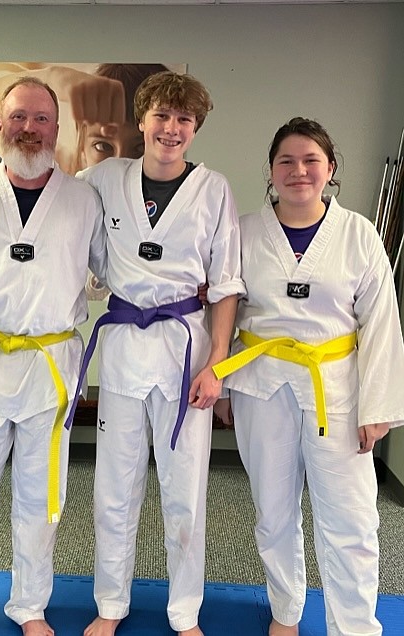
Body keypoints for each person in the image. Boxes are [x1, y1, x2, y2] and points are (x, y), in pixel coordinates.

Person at [212, 117, 404, 636]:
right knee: (273, 512)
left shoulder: (359, 234)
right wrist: (226, 383)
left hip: (336, 390)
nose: (299, 171)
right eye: (286, 162)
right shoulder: (246, 232)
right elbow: (226, 307)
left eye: (310, 160)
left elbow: (383, 323)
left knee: (352, 519)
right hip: (261, 384)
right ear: (271, 172)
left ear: (330, 168)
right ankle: (286, 613)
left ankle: (355, 626)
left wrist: (379, 407)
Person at [0, 77, 106, 636]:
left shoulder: (84, 199)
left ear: (59, 129)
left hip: (51, 367)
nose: (29, 128)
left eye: (41, 119)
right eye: (18, 118)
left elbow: (112, 271)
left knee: (41, 496)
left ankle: (29, 607)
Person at [75, 71, 244, 636]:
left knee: (185, 492)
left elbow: (225, 286)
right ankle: (110, 605)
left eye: (184, 121)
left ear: (194, 129)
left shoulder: (213, 188)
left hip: (185, 349)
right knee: (114, 487)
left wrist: (217, 363)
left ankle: (184, 612)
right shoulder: (103, 177)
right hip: (123, 342)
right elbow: (43, 193)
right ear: (141, 121)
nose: (171, 130)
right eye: (162, 117)